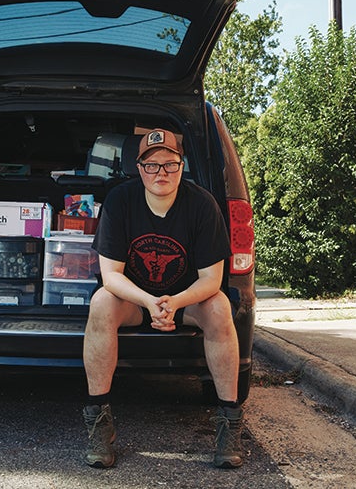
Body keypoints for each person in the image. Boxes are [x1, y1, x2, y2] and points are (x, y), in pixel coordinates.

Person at [81, 128, 244, 469]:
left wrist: (174, 302)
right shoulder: (120, 201)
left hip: (185, 301)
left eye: (169, 164)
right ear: (139, 169)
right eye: (152, 165)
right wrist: (150, 301)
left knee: (219, 306)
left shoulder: (202, 204)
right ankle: (99, 421)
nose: (161, 173)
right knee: (100, 302)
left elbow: (212, 280)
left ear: (182, 165)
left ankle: (229, 424)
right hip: (135, 301)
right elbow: (111, 275)